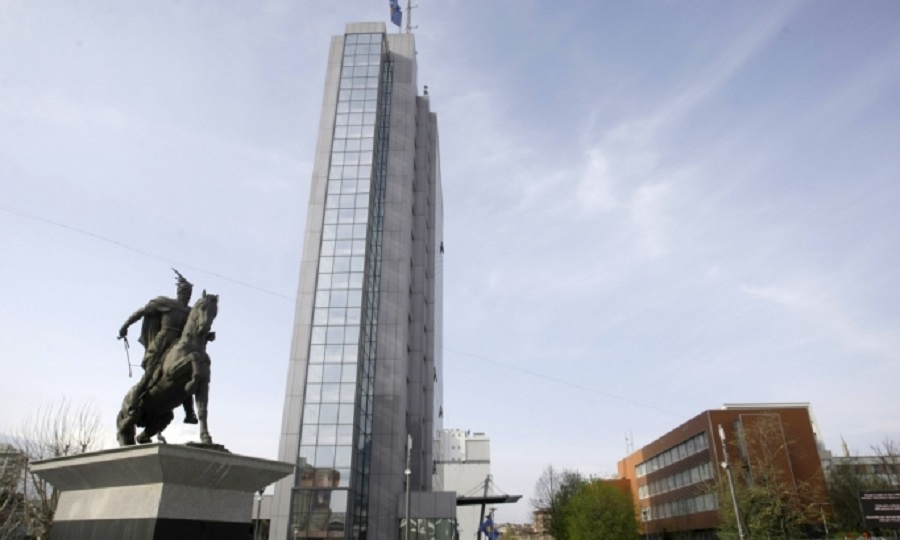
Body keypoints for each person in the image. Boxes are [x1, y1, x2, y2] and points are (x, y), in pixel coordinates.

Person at [119, 269, 198, 424]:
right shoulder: (166, 304)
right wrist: (125, 326)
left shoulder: (190, 312)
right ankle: (134, 404)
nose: (187, 296)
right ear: (179, 292)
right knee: (150, 372)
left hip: (179, 344)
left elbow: (195, 329)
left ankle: (190, 413)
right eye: (184, 292)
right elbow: (141, 312)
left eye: (189, 293)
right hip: (162, 342)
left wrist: (207, 336)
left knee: (187, 375)